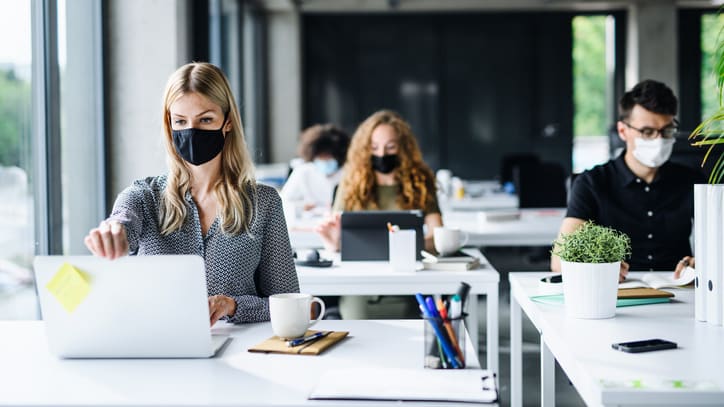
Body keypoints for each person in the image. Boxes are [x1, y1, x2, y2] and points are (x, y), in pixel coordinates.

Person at [84, 62, 299, 325]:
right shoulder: (143, 196)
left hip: (238, 351)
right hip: (156, 345)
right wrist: (113, 231)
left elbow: (288, 302)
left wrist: (233, 306)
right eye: (180, 121)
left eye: (206, 119)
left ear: (228, 122)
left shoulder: (263, 203)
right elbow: (123, 221)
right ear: (169, 124)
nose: (192, 131)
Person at [551, 79, 705, 280]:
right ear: (623, 131)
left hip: (681, 292)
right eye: (648, 132)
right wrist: (600, 268)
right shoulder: (592, 182)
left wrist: (702, 262)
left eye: (667, 131)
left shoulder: (691, 180)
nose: (659, 140)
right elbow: (559, 261)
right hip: (616, 293)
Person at [315, 109, 443, 318]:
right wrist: (334, 244)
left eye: (390, 147)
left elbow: (438, 236)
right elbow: (338, 235)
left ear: (403, 148)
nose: (382, 154)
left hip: (408, 287)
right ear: (365, 150)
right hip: (361, 288)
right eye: (374, 148)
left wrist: (409, 244)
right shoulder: (350, 185)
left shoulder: (421, 183)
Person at [281, 124, 350, 214]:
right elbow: (284, 201)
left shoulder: (349, 173)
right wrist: (301, 206)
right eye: (321, 157)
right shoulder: (303, 171)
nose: (325, 161)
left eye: (329, 157)